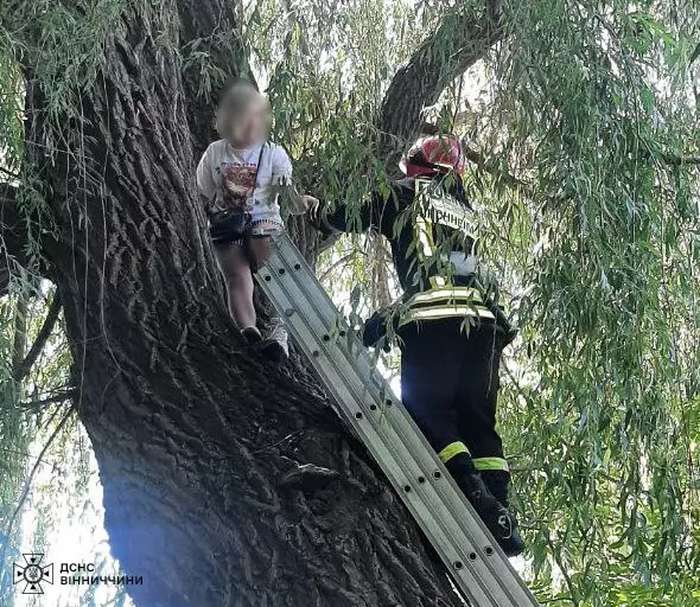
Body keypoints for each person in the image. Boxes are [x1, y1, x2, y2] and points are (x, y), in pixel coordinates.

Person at [312, 134, 524, 556]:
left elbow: (354, 213)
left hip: (433, 318)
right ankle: (501, 510)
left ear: (416, 166)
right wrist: (381, 323)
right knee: (477, 421)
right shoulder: (467, 213)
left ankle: (471, 491)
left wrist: (319, 212)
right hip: (481, 326)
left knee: (429, 410)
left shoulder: (407, 192)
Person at [197, 79, 316, 360]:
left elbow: (204, 192)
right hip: (263, 224)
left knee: (238, 279)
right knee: (276, 276)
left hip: (228, 226)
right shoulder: (273, 152)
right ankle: (271, 329)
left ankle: (249, 328)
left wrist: (300, 202)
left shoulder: (216, 151)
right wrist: (302, 204)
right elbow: (288, 197)